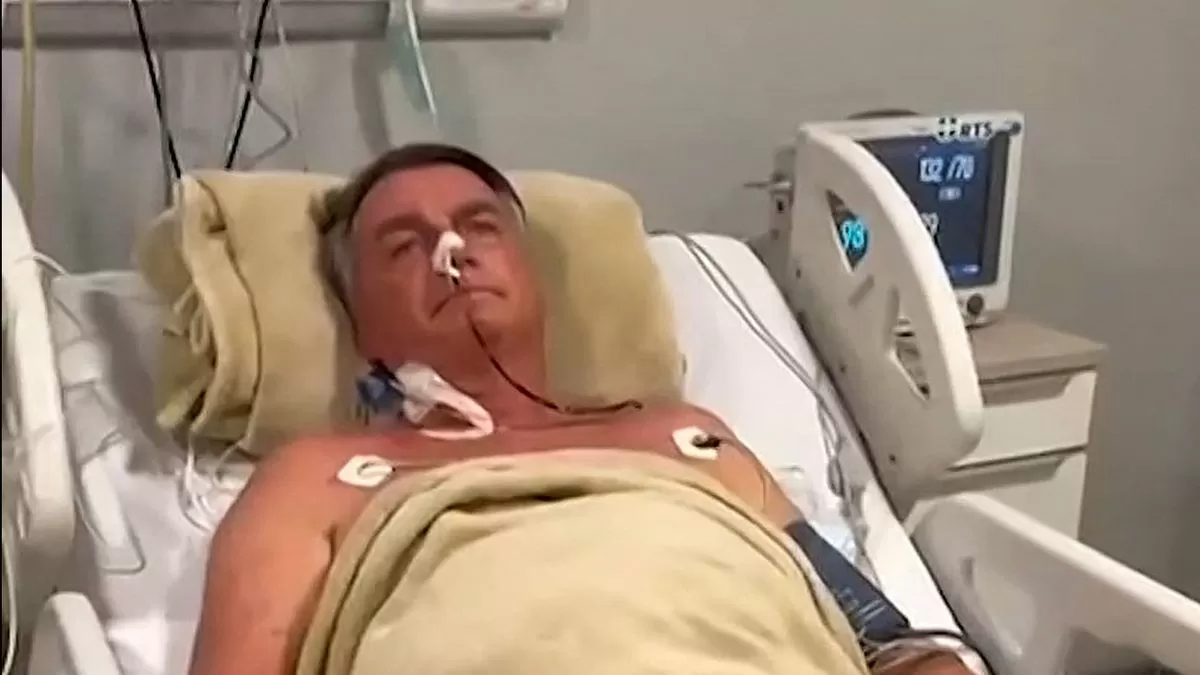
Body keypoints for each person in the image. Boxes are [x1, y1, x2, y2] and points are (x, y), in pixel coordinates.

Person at [187, 144, 976, 675]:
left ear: (532, 274)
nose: (451, 253)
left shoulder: (683, 435)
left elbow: (883, 636)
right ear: (361, 321)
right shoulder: (316, 476)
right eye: (402, 245)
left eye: (479, 226)